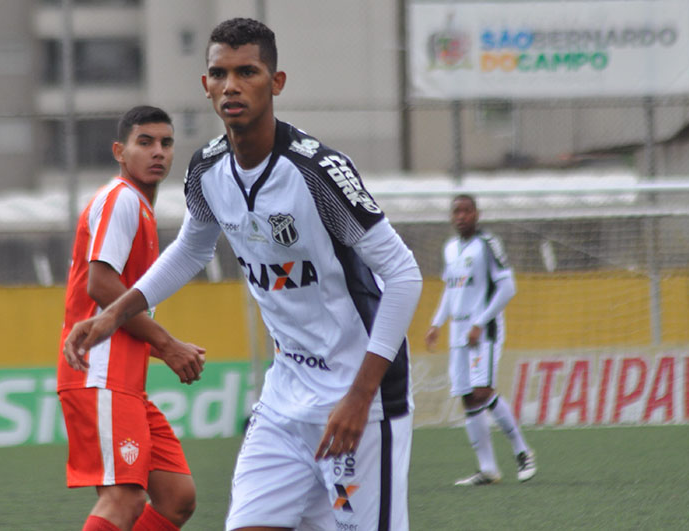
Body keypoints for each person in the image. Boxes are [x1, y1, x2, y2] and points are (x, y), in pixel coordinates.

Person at [63, 17, 422, 531]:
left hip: (357, 402)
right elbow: (191, 249)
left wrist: (360, 396)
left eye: (247, 72)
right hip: (284, 398)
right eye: (219, 73)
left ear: (276, 83)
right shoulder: (207, 170)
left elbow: (404, 275)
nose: (231, 85)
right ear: (205, 86)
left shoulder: (317, 172)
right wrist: (112, 317)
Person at [57, 105, 206, 531]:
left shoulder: (139, 207)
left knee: (177, 498)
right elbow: (101, 286)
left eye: (166, 142)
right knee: (123, 498)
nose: (158, 151)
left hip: (124, 382)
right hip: (98, 375)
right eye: (145, 142)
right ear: (120, 151)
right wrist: (166, 344)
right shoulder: (121, 199)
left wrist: (163, 346)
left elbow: (117, 302)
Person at [425, 194, 536, 486]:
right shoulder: (449, 249)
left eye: (466, 211)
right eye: (456, 212)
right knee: (467, 396)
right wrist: (437, 323)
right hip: (457, 331)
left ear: (477, 214)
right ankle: (487, 469)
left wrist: (479, 322)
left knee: (483, 391)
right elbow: (451, 290)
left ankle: (523, 452)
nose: (460, 216)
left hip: (482, 331)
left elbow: (508, 288)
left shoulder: (488, 245)